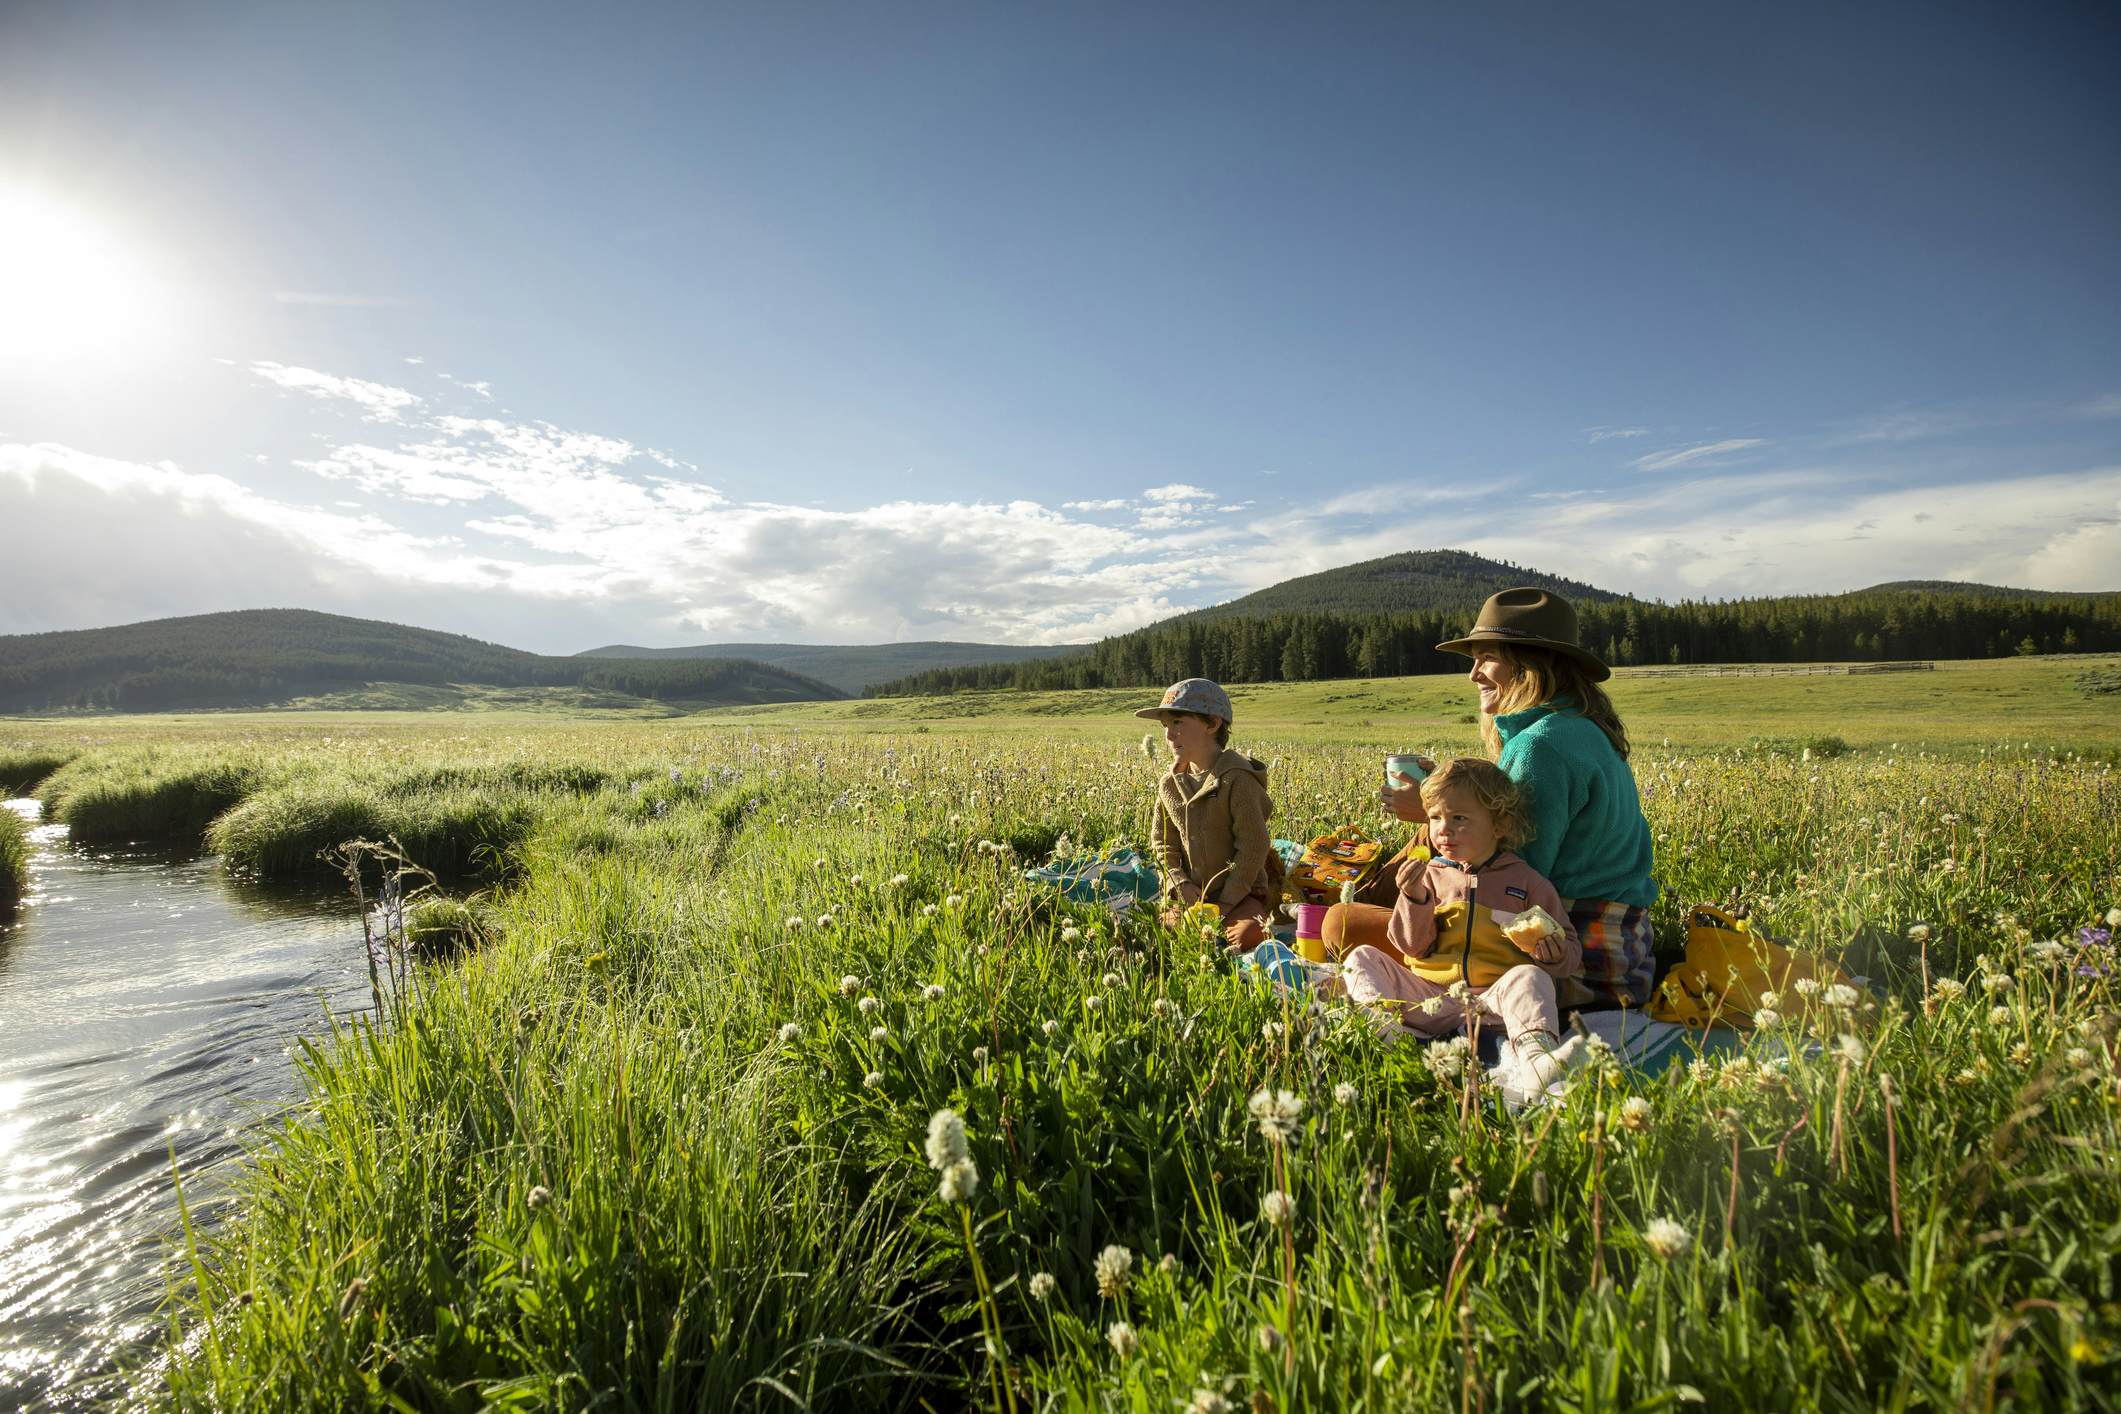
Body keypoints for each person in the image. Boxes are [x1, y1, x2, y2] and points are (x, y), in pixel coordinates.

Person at [1323, 587, 1659, 1007]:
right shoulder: (1585, 729)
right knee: (1417, 855)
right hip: (1627, 944)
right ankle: (1362, 892)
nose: (1474, 674)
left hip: (1565, 953)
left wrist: (1431, 816)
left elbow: (1506, 876)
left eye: (1487, 658)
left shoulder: (1540, 746)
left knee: (1339, 925)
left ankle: (1343, 899)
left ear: (1530, 665)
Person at [1332, 758, 1581, 1088]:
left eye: (1459, 818)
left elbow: (1570, 949)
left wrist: (1555, 955)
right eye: (1435, 817)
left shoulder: (1527, 882)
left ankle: (1537, 1061)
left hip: (1492, 1004)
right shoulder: (1430, 876)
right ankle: (1378, 1028)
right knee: (1362, 957)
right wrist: (1413, 898)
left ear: (1500, 825)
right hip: (1429, 997)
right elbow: (1411, 947)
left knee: (1531, 978)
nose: (1442, 829)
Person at [1136, 678, 1276, 952]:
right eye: (1165, 726)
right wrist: (1180, 882)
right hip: (1192, 894)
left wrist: (1225, 904)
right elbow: (1163, 842)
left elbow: (1253, 846)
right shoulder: (1169, 783)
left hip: (1240, 894)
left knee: (1247, 936)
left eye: (1178, 723)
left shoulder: (1238, 780)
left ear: (1212, 724)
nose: (1168, 735)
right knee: (1164, 930)